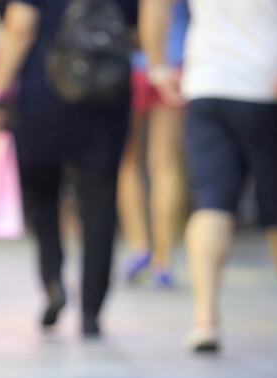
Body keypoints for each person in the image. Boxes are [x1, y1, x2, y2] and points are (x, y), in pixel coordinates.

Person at [142, 0, 277, 355]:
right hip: (272, 84)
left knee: (212, 202)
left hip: (208, 83)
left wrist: (157, 65)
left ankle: (204, 319)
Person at [0, 0, 170, 338]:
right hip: (106, 94)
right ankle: (92, 312)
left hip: (44, 90)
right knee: (99, 203)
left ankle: (53, 280)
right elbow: (142, 33)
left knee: (41, 193)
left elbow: (19, 27)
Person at [119, 0, 189, 289]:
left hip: (129, 65)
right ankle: (163, 260)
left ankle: (139, 248)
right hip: (176, 63)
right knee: (166, 163)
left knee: (128, 161)